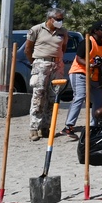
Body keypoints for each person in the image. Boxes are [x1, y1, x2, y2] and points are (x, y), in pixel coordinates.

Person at [25, 8, 69, 140]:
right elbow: (28, 49)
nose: (60, 22)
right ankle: (34, 127)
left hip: (57, 65)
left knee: (53, 97)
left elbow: (63, 48)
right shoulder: (37, 29)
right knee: (39, 96)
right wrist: (35, 62)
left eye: (62, 19)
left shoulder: (63, 32)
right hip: (41, 63)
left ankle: (46, 127)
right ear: (50, 18)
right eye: (58, 19)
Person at [60, 21, 102, 137]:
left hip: (94, 75)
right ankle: (68, 126)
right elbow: (78, 58)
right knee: (80, 96)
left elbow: (100, 61)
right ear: (96, 31)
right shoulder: (87, 41)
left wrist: (101, 76)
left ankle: (94, 125)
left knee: (98, 99)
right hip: (80, 72)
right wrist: (90, 65)